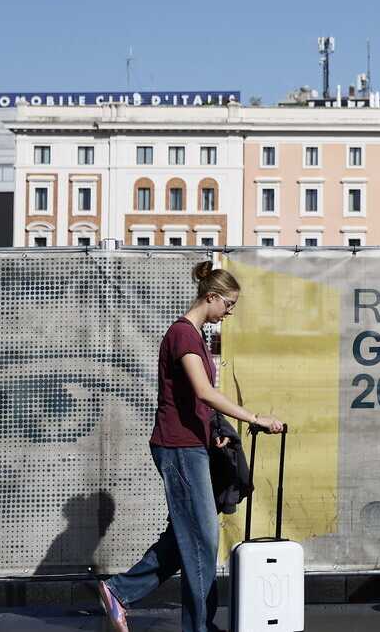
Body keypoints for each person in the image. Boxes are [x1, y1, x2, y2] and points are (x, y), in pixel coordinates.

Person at [97, 260, 284, 632]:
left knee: (188, 536)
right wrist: (254, 418)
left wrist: (213, 430)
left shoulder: (194, 335)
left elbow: (193, 400)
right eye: (228, 304)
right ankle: (193, 623)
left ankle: (119, 590)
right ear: (211, 296)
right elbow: (204, 391)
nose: (229, 312)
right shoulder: (183, 335)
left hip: (191, 444)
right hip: (178, 447)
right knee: (201, 536)